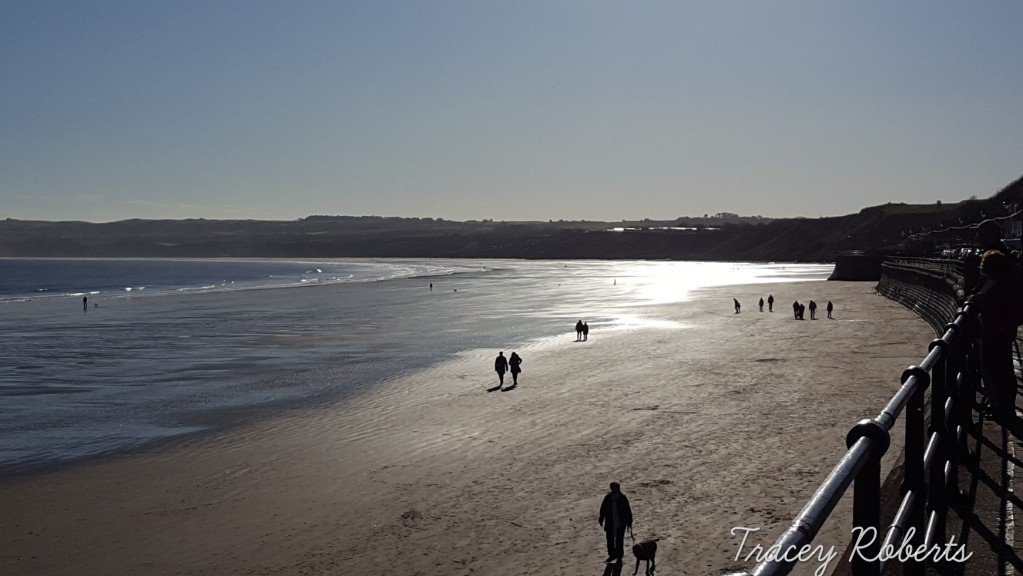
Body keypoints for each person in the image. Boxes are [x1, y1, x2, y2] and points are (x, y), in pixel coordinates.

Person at [971, 250, 1019, 421]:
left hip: (997, 334)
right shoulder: (1002, 283)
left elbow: (1011, 309)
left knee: (1000, 371)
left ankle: (1004, 409)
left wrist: (1003, 328)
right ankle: (1002, 407)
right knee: (999, 371)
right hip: (996, 333)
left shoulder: (1005, 287)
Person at [598, 482, 633, 563]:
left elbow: (628, 510)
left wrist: (629, 521)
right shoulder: (608, 497)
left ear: (618, 488)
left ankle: (619, 557)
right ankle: (611, 555)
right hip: (610, 522)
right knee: (609, 539)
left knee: (619, 540)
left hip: (620, 523)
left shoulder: (623, 498)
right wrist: (601, 518)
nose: (612, 489)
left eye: (614, 488)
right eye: (611, 488)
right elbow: (602, 509)